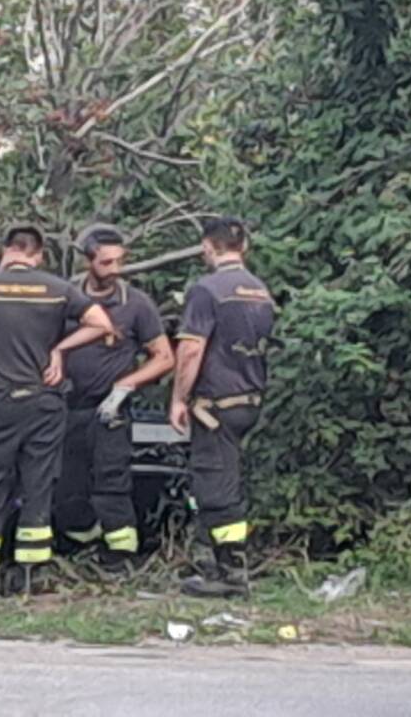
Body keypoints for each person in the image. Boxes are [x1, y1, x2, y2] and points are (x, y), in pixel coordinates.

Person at [0, 225, 116, 598]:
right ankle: (30, 575)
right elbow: (102, 324)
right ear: (38, 255)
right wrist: (60, 349)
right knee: (38, 483)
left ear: (7, 250)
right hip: (44, 400)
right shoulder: (58, 288)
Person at [54, 225, 175, 569]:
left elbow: (164, 357)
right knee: (66, 485)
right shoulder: (66, 298)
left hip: (110, 410)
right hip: (67, 407)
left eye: (120, 261)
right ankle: (79, 547)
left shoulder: (136, 304)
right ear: (89, 261)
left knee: (112, 482)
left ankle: (121, 556)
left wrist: (126, 386)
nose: (115, 269)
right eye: (106, 263)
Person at [169, 217, 275, 597]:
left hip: (215, 405)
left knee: (216, 486)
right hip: (250, 400)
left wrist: (179, 398)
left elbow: (192, 346)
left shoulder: (207, 289)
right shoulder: (259, 290)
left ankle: (229, 575)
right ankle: (208, 562)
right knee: (219, 477)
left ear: (207, 248)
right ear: (243, 247)